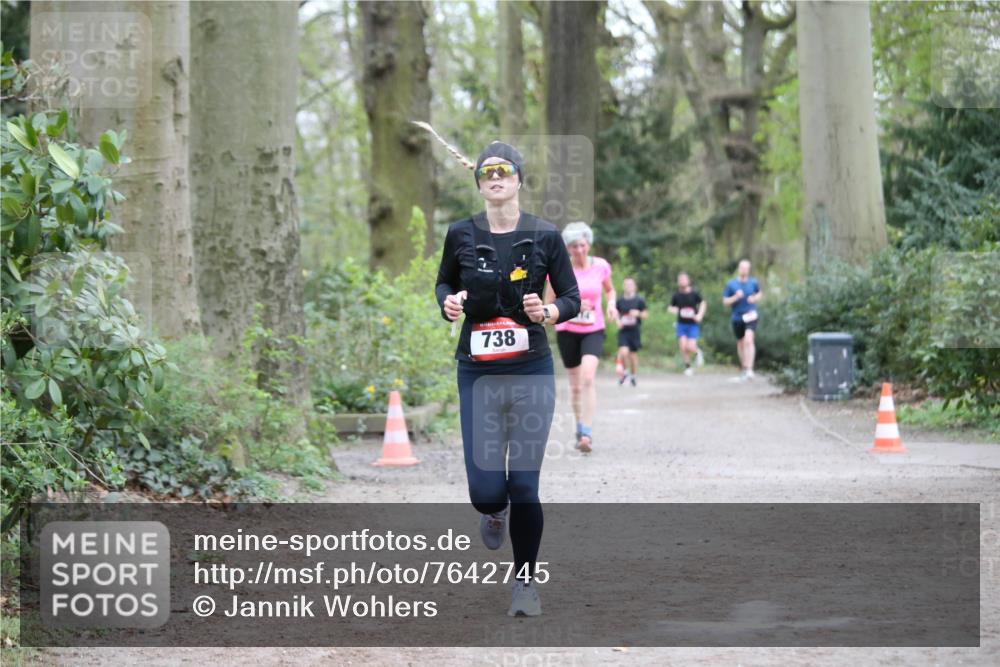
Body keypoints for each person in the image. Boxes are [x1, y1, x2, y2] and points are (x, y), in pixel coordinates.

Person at [435, 141, 581, 617]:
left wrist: (550, 310)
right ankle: (492, 513)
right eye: (487, 172)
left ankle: (525, 583)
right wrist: (448, 303)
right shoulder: (460, 233)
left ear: (519, 178)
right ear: (479, 182)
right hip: (477, 373)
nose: (496, 177)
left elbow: (573, 297)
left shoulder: (544, 235)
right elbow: (442, 282)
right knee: (487, 493)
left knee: (524, 486)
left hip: (531, 370)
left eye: (505, 170)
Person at [548, 221, 617, 454]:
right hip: (567, 330)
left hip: (593, 329)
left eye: (582, 244)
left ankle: (587, 431)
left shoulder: (601, 266)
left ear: (588, 243)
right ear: (567, 248)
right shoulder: (559, 269)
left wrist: (612, 306)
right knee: (576, 386)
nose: (579, 250)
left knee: (588, 377)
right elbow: (549, 305)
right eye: (574, 246)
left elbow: (609, 290)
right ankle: (579, 428)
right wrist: (573, 306)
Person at [722, 259, 763, 380]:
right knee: (740, 343)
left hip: (751, 315)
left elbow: (759, 293)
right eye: (742, 267)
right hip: (737, 317)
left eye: (746, 268)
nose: (744, 270)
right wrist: (735, 297)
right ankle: (744, 367)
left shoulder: (753, 282)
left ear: (749, 270)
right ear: (738, 269)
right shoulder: (731, 284)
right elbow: (725, 301)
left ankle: (750, 369)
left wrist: (754, 298)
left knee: (748, 340)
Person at [669, 272, 706, 376]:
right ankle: (688, 367)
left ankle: (698, 352)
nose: (682, 281)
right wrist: (674, 310)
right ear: (678, 282)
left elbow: (703, 303)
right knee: (683, 346)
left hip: (692, 324)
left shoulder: (694, 294)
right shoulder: (676, 295)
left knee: (690, 346)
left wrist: (700, 315)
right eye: (680, 280)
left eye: (684, 279)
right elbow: (670, 307)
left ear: (688, 281)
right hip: (681, 324)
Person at [614, 277, 647, 386]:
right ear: (623, 286)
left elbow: (645, 315)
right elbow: (616, 314)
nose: (628, 286)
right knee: (623, 351)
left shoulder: (639, 300)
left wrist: (638, 313)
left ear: (634, 286)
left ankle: (633, 375)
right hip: (623, 330)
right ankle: (625, 373)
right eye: (626, 284)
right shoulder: (620, 300)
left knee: (632, 355)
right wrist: (618, 321)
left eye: (630, 284)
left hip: (634, 331)